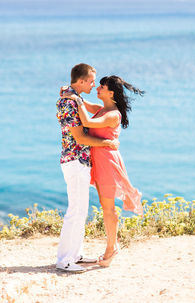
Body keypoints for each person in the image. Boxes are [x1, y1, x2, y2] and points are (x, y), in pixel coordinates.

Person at [63, 75, 144, 267]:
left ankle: (111, 248)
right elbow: (87, 105)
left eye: (101, 86)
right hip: (99, 163)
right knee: (105, 205)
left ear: (110, 93)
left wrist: (74, 98)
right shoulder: (103, 110)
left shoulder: (112, 114)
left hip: (107, 163)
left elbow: (87, 122)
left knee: (108, 209)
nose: (97, 88)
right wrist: (72, 92)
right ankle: (112, 245)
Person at [56, 64, 119, 272]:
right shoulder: (69, 102)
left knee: (80, 210)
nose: (94, 84)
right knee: (75, 210)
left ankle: (75, 255)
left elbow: (89, 109)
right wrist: (107, 144)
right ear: (81, 81)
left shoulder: (74, 97)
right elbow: (80, 136)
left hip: (80, 161)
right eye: (92, 81)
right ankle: (66, 260)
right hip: (74, 160)